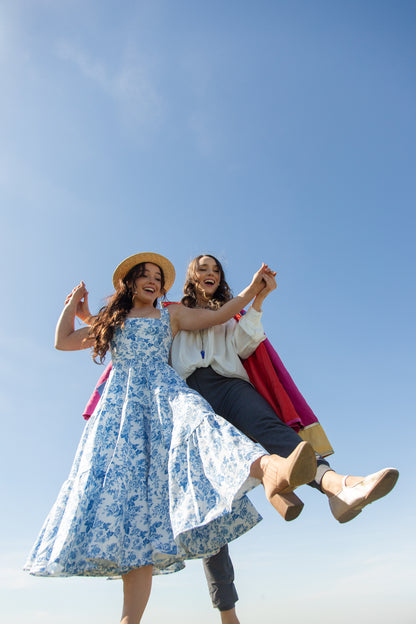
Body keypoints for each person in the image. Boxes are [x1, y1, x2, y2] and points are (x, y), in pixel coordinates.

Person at [78, 253, 399, 624]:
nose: (210, 273)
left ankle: (339, 488)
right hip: (187, 397)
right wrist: (87, 317)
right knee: (210, 508)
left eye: (216, 269)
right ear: (190, 277)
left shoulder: (230, 313)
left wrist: (257, 301)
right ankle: (229, 614)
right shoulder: (170, 312)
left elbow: (247, 345)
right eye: (203, 268)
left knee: (273, 431)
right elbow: (126, 326)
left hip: (229, 385)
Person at [24, 252, 318, 624]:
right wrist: (71, 306)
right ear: (128, 283)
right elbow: (63, 341)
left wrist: (253, 291)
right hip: (121, 415)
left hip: (165, 396)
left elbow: (220, 314)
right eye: (144, 275)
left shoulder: (171, 315)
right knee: (134, 513)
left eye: (158, 278)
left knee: (204, 426)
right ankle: (130, 620)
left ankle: (271, 469)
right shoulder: (112, 323)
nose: (153, 281)